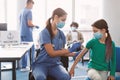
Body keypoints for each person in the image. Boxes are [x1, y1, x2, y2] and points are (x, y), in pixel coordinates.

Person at [31, 8, 81, 80]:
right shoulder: (44, 33)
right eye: (63, 20)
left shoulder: (61, 35)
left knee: (66, 77)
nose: (64, 22)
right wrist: (70, 50)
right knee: (40, 78)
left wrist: (74, 54)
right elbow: (51, 53)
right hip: (41, 64)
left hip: (55, 64)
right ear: (56, 17)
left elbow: (61, 52)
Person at [19, 0, 38, 71]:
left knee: (23, 50)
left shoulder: (21, 11)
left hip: (21, 32)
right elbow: (29, 23)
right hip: (27, 33)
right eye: (32, 5)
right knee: (31, 49)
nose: (32, 7)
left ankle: (23, 66)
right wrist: (35, 26)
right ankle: (32, 66)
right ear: (29, 3)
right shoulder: (29, 11)